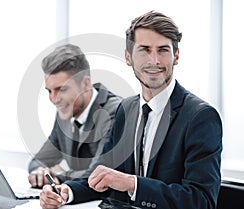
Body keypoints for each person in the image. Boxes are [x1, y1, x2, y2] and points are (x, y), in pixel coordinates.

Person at [39, 11, 223, 209]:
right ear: (128, 57)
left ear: (176, 56)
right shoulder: (126, 109)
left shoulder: (200, 117)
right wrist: (67, 192)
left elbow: (201, 201)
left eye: (163, 50)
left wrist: (132, 184)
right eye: (144, 50)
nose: (154, 60)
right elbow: (104, 175)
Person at [28, 44, 122, 188]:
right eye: (49, 91)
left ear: (85, 84)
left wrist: (58, 176)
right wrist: (41, 173)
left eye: (61, 89)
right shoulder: (64, 112)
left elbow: (98, 173)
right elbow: (38, 161)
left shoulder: (115, 111)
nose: (54, 99)